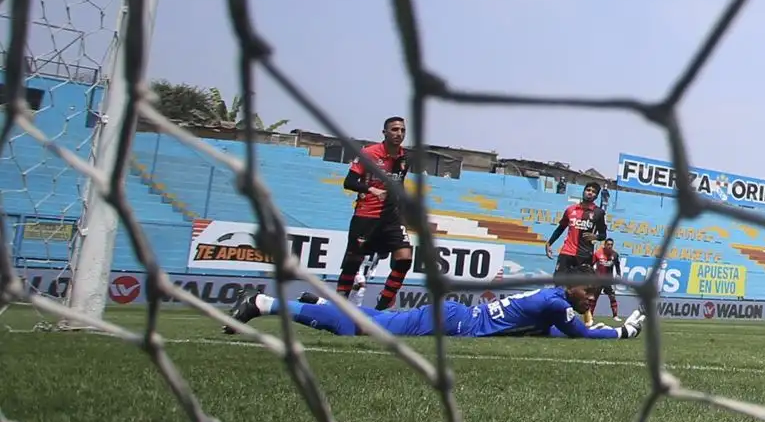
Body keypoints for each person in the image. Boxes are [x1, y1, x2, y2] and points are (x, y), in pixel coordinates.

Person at [231, 284, 643, 340]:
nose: (590, 298)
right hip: (454, 321)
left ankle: (318, 304)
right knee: (361, 327)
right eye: (588, 291)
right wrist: (622, 332)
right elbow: (580, 334)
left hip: (457, 318)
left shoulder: (551, 301)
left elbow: (553, 332)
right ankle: (263, 303)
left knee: (373, 322)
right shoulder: (555, 303)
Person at [333, 116, 413, 310]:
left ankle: (383, 303)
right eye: (394, 129)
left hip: (392, 217)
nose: (399, 134)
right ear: (384, 132)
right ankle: (338, 306)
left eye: (402, 130)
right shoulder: (369, 154)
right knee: (353, 263)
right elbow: (349, 182)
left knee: (405, 258)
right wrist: (371, 190)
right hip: (366, 216)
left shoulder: (405, 158)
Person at [545, 182, 605, 281]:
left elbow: (603, 235)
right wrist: (549, 243)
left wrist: (596, 237)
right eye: (588, 190)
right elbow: (561, 228)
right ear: (583, 191)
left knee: (579, 287)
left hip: (584, 255)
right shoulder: (570, 210)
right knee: (559, 283)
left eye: (593, 192)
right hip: (566, 252)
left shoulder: (599, 213)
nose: (590, 193)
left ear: (596, 196)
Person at [591, 237, 627, 324]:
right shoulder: (598, 253)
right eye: (608, 244)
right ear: (605, 245)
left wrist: (618, 275)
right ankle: (590, 316)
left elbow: (617, 266)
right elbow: (591, 264)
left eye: (611, 245)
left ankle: (615, 316)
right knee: (594, 298)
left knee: (612, 297)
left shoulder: (615, 254)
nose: (610, 246)